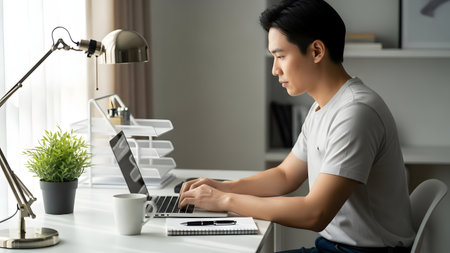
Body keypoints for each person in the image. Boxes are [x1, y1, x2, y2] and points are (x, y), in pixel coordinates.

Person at [179, 0, 415, 252]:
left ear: (316, 51)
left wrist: (225, 200)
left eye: (280, 56)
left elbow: (315, 213)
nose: (274, 69)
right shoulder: (322, 107)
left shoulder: (356, 112)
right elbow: (285, 176)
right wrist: (221, 186)